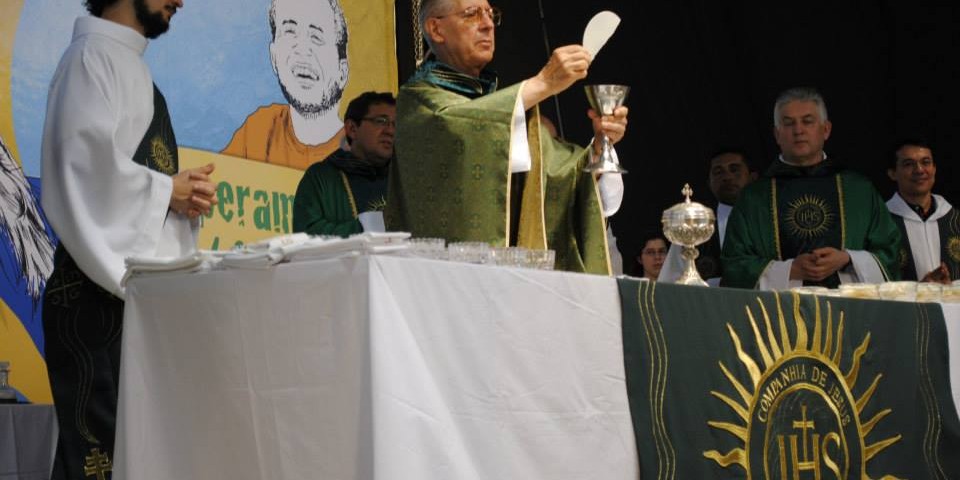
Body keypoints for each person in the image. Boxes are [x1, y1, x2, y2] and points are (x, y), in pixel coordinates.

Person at [40, 0, 217, 477]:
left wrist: (179, 200)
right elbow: (81, 168)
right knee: (99, 459)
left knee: (134, 455)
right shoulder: (90, 57)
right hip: (92, 296)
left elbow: (118, 176)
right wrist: (166, 191)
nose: (180, 1)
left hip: (128, 298)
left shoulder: (128, 67)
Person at [385, 0, 629, 274]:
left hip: (512, 280)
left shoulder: (501, 107)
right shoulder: (418, 100)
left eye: (491, 14)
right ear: (436, 29)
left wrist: (600, 148)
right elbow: (461, 126)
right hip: (447, 280)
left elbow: (560, 177)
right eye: (472, 14)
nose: (488, 24)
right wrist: (543, 84)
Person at [721, 87, 900, 289]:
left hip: (850, 305)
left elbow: (890, 252)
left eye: (807, 121)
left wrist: (847, 259)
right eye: (789, 123)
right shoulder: (754, 197)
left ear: (826, 130)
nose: (798, 131)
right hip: (780, 306)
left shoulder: (858, 190)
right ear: (777, 134)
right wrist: (790, 270)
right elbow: (734, 264)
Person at [221, 0, 349, 170]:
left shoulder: (360, 152)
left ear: (342, 72)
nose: (302, 50)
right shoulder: (259, 131)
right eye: (290, 31)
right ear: (274, 58)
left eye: (316, 37)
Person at [293, 92, 395, 236]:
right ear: (352, 128)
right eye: (381, 121)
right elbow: (306, 235)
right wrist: (369, 226)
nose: (390, 130)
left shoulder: (404, 181)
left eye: (396, 124)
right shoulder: (321, 178)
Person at [658, 148, 756, 285]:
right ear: (709, 183)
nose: (727, 177)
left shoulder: (769, 222)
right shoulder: (690, 226)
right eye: (718, 172)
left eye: (734, 169)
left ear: (752, 178)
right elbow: (671, 284)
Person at [886, 139, 959, 283]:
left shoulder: (954, 219)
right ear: (892, 173)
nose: (919, 170)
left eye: (926, 162)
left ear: (934, 169)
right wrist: (921, 289)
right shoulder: (881, 222)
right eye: (908, 164)